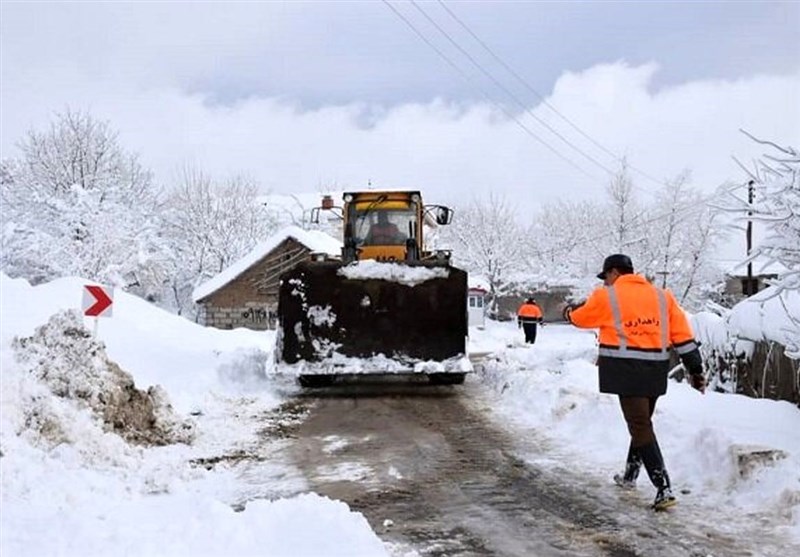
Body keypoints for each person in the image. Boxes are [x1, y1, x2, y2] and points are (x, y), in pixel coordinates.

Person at [563, 253, 706, 511]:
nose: (605, 282)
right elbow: (683, 337)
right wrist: (696, 370)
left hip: (625, 370)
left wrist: (568, 313)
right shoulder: (664, 296)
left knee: (639, 425)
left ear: (614, 273)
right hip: (655, 371)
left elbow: (582, 318)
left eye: (606, 276)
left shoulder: (607, 296)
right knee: (642, 424)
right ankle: (630, 476)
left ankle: (664, 488)